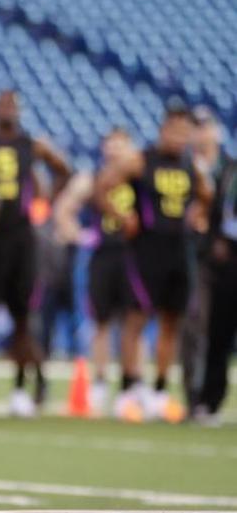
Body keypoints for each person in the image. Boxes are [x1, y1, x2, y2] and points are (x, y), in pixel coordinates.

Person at [96, 104, 212, 422]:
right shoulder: (141, 160)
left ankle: (160, 391)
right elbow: (103, 187)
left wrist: (198, 216)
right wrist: (123, 217)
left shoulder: (191, 166)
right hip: (145, 249)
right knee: (136, 319)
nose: (179, 137)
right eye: (174, 130)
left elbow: (206, 196)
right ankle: (129, 390)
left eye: (184, 132)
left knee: (171, 322)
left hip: (178, 249)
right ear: (163, 130)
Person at [0, 89, 72, 417]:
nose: (7, 109)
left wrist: (44, 205)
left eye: (13, 105)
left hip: (21, 237)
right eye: (2, 104)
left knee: (22, 315)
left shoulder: (32, 144)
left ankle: (27, 384)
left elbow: (64, 169)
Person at [53, 128, 135, 413]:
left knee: (133, 324)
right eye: (110, 146)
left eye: (120, 146)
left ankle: (132, 385)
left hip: (134, 256)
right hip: (102, 256)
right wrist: (81, 235)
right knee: (101, 323)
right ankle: (99, 384)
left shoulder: (138, 178)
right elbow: (63, 210)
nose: (114, 152)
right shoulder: (92, 178)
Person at [181, 106, 223, 412]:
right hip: (194, 257)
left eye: (205, 126)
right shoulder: (183, 167)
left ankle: (212, 395)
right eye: (196, 127)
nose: (201, 132)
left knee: (220, 329)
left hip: (229, 259)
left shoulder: (230, 168)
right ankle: (195, 396)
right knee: (195, 326)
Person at [197, 151, 237, 425]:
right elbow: (215, 209)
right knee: (219, 332)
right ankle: (210, 400)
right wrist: (216, 239)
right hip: (229, 260)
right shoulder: (229, 171)